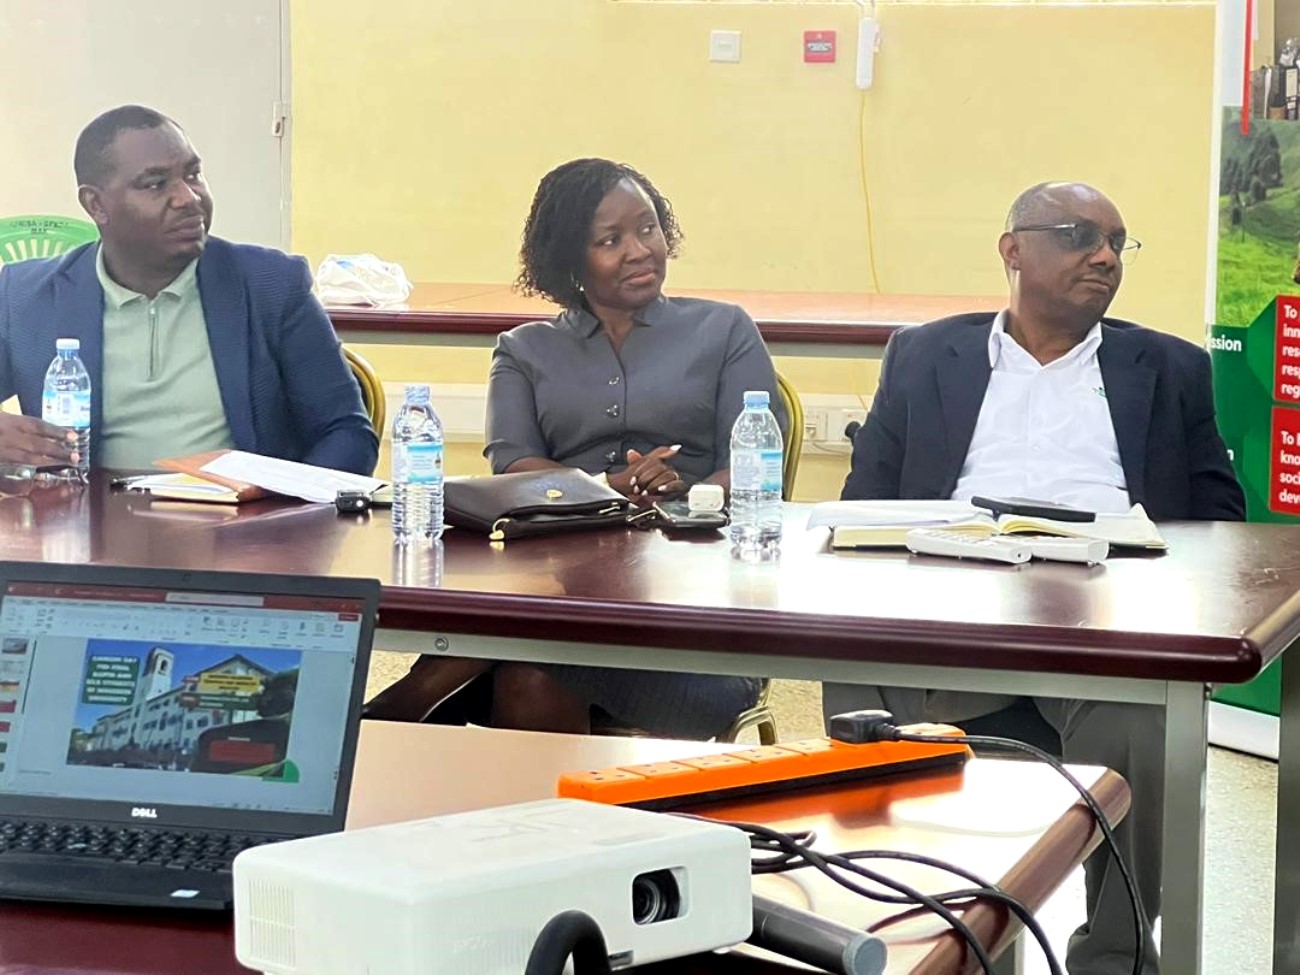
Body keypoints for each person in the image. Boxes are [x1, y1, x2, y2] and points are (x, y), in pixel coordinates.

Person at [826, 182, 1245, 975]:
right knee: (854, 669)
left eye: (1117, 242)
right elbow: (864, 502)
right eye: (1080, 235)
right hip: (951, 600)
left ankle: (1116, 955)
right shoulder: (924, 356)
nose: (1105, 256)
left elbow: (1221, 519)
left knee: (1138, 708)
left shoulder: (1170, 368)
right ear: (1013, 249)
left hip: (1105, 609)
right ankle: (916, 931)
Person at [367, 157, 785, 738]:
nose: (639, 250)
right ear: (569, 260)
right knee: (531, 670)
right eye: (610, 240)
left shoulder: (723, 330)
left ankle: (406, 702)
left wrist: (687, 499)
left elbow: (754, 465)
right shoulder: (524, 350)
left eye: (648, 228)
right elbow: (513, 467)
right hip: (557, 596)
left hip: (693, 624)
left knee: (526, 654)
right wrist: (608, 491)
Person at [0, 104, 377, 475]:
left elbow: (347, 432)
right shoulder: (26, 297)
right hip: (86, 514)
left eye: (193, 174)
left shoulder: (270, 285)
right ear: (96, 204)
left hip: (242, 513)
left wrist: (284, 504)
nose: (189, 198)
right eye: (155, 184)